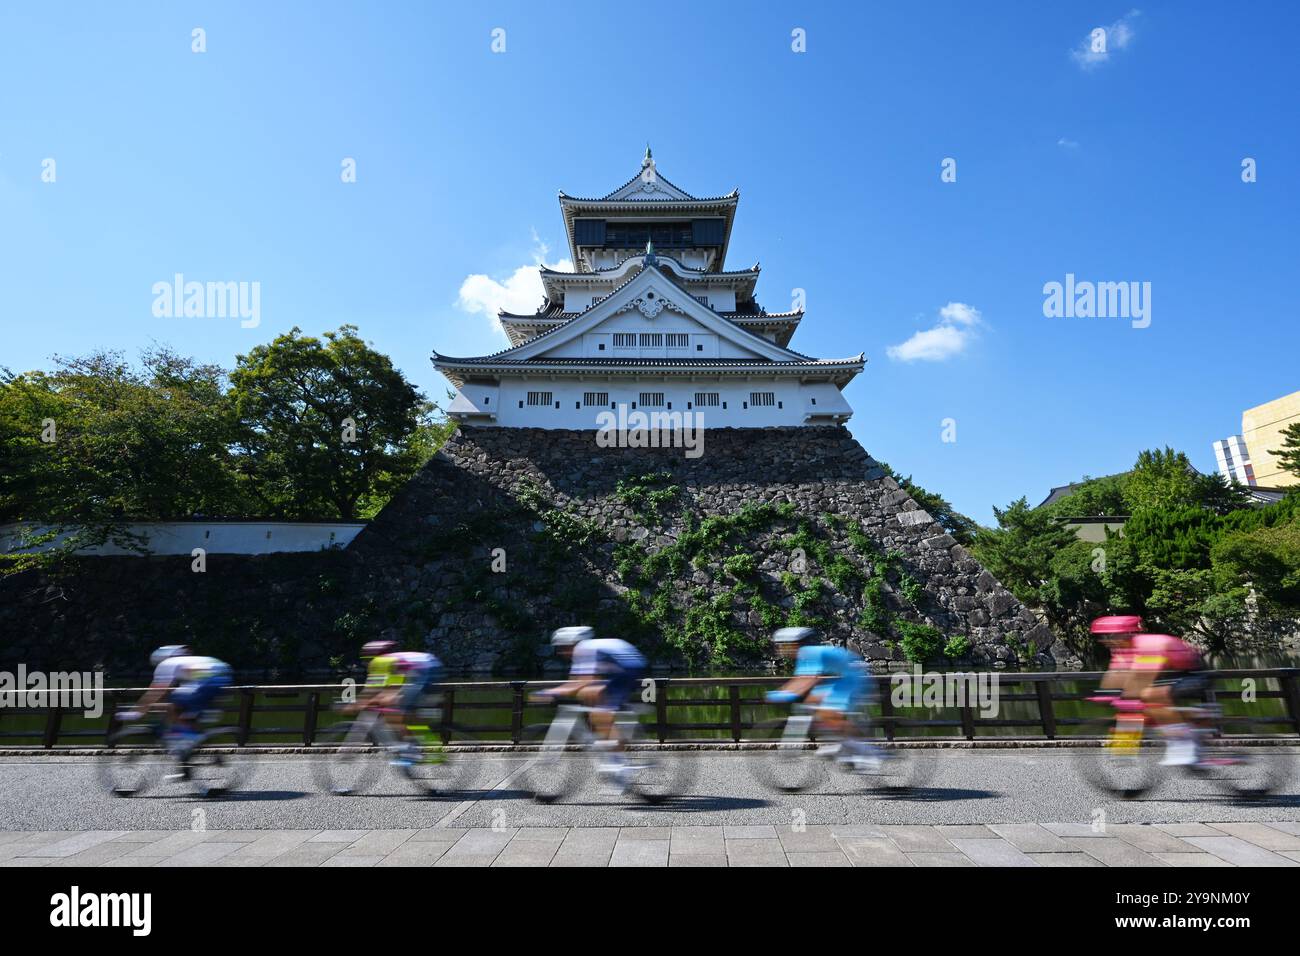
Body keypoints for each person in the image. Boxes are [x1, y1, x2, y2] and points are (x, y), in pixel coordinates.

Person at [536, 626, 648, 785]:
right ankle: (610, 746)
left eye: (562, 647)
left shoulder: (584, 649)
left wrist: (550, 693)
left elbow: (580, 682)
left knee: (599, 710)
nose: (561, 652)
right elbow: (577, 683)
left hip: (628, 669)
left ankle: (618, 763)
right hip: (629, 665)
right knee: (590, 696)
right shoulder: (586, 649)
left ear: (571, 644)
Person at [1091, 615, 1208, 766]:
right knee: (1142, 702)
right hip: (1174, 674)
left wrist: (1126, 696)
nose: (1105, 641)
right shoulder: (1120, 650)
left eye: (1108, 636)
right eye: (1102, 637)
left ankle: (1183, 745)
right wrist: (1102, 694)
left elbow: (1143, 677)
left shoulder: (1148, 645)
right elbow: (1114, 676)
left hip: (1194, 673)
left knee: (1150, 695)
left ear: (1124, 634)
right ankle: (1191, 718)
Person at [765, 627, 879, 770]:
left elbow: (809, 680)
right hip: (844, 678)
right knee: (812, 704)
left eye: (782, 645)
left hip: (855, 678)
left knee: (829, 713)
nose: (780, 649)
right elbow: (799, 680)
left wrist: (782, 694)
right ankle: (842, 743)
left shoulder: (808, 653)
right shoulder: (803, 654)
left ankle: (865, 752)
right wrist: (782, 692)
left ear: (792, 644)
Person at [123, 645, 233, 758]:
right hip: (221, 675)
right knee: (182, 702)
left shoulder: (166, 664)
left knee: (176, 700)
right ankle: (191, 737)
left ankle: (187, 738)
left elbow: (156, 691)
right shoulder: (183, 662)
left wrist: (138, 711)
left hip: (210, 680)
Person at [351, 640, 443, 766]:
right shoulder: (391, 661)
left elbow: (372, 690)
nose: (366, 663)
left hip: (426, 672)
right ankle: (431, 750)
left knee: (401, 713)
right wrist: (377, 701)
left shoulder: (379, 662)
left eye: (366, 659)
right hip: (432, 667)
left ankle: (413, 752)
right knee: (404, 714)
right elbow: (389, 689)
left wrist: (356, 705)